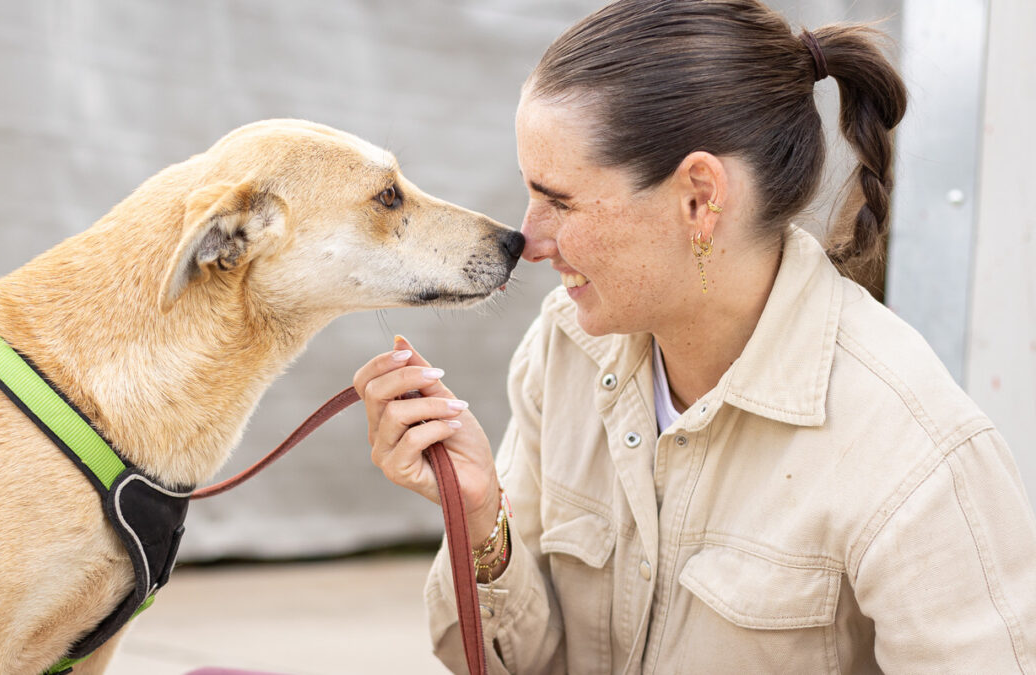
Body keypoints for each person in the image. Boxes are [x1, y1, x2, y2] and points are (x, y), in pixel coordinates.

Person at [353, 0, 1036, 672]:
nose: (526, 239)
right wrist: (480, 514)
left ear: (700, 198)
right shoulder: (564, 347)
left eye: (558, 199)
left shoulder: (914, 448)